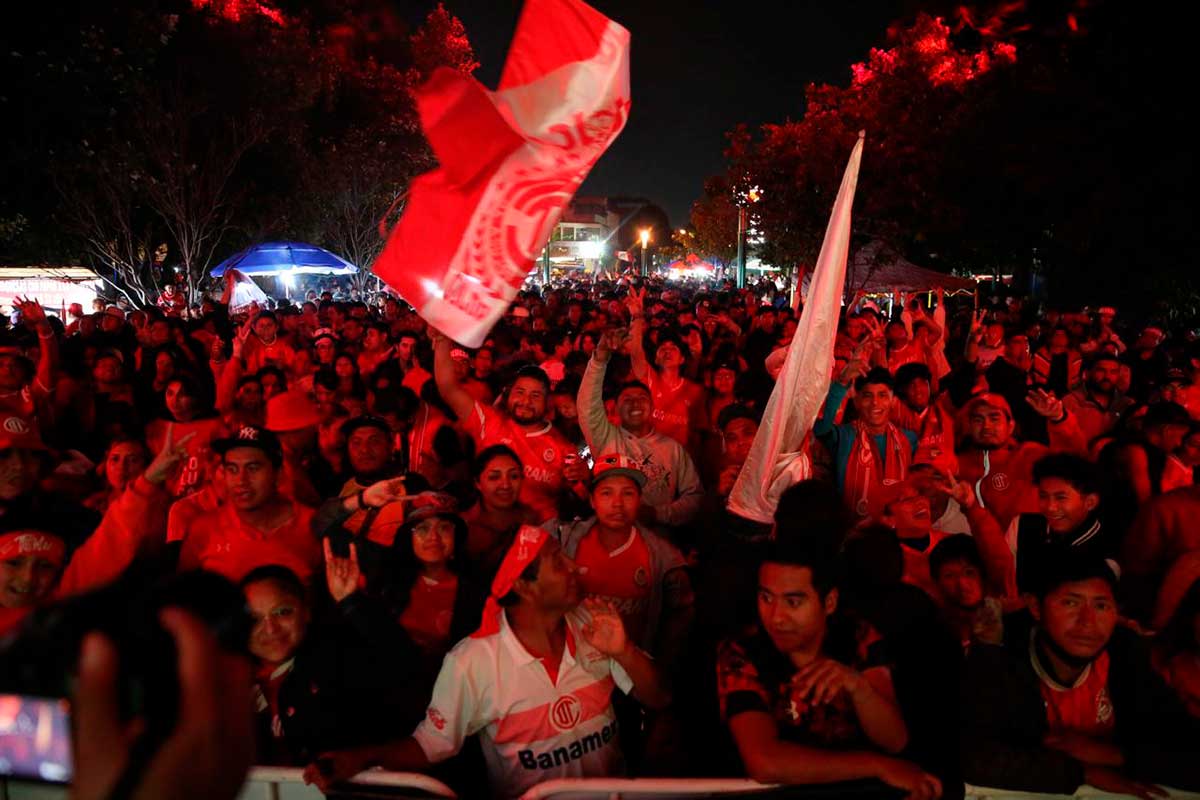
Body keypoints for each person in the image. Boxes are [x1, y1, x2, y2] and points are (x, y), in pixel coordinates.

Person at [303, 527, 670, 798]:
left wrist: (624, 651)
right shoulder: (472, 662)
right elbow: (431, 745)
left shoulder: (593, 623)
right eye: (559, 561)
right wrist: (362, 757)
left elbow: (659, 697)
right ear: (524, 586)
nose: (576, 567)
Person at [716, 538, 942, 798]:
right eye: (766, 598)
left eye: (793, 602)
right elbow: (764, 762)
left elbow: (895, 740)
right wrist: (876, 766)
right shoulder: (742, 650)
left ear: (830, 602)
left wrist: (859, 688)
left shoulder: (856, 635)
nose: (776, 616)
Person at [960, 554, 1200, 796]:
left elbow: (1187, 746)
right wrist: (1081, 772)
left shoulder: (1126, 654)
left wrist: (1114, 755)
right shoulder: (1001, 655)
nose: (1087, 622)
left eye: (1101, 606)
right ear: (1035, 607)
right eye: (1070, 603)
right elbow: (973, 756)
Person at [243, 550, 426, 766]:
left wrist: (351, 602)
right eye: (254, 619)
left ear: (306, 611)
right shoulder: (229, 682)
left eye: (283, 612)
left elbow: (403, 662)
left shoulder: (337, 659)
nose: (271, 628)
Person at [551, 455, 694, 664]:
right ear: (592, 500)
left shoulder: (664, 558)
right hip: (573, 664)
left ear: (639, 500)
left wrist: (658, 667)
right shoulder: (563, 539)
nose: (617, 504)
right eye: (606, 493)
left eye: (627, 493)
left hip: (629, 667)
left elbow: (679, 620)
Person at [433, 330, 581, 522]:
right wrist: (442, 339)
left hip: (541, 533)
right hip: (489, 530)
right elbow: (448, 388)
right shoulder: (488, 421)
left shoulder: (564, 449)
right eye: (520, 392)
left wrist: (584, 478)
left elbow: (582, 497)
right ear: (508, 395)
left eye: (535, 395)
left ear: (547, 403)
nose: (526, 401)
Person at [578, 329, 704, 533]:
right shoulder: (605, 437)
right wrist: (599, 359)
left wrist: (658, 514)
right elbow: (586, 407)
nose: (635, 403)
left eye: (642, 398)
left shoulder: (673, 449)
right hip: (609, 535)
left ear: (652, 407)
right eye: (627, 399)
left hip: (657, 539)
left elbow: (695, 496)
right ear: (616, 408)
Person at [176, 425, 320, 582]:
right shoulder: (204, 530)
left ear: (278, 475)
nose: (241, 480)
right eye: (232, 469)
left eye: (253, 468)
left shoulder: (313, 526)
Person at [954, 391, 1086, 531]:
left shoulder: (1030, 454)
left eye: (994, 418)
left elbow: (1075, 462)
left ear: (1010, 426)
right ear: (969, 427)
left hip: (1027, 539)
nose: (986, 426)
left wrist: (1059, 419)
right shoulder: (958, 464)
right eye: (978, 420)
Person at [815, 364, 917, 520]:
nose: (875, 402)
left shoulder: (908, 439)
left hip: (899, 526)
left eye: (882, 395)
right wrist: (841, 383)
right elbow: (820, 428)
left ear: (893, 402)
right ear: (856, 402)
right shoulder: (844, 436)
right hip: (854, 529)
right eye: (868, 396)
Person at [625, 288, 708, 451]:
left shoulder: (695, 391)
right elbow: (635, 351)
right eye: (662, 348)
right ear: (656, 358)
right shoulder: (649, 379)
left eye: (673, 348)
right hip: (647, 455)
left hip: (679, 460)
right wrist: (636, 317)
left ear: (682, 359)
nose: (667, 351)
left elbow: (700, 435)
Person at [461, 445, 540, 577]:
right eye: (494, 477)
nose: (505, 485)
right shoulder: (466, 527)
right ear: (477, 483)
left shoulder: (530, 519)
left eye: (513, 476)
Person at [928, 534, 1005, 651]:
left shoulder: (1006, 615)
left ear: (982, 574)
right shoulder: (934, 628)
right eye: (950, 576)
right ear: (937, 582)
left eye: (969, 572)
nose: (962, 584)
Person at [1063, 354, 1134, 445]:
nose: (1107, 377)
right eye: (1101, 371)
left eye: (1113, 372)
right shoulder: (1071, 402)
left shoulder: (1127, 404)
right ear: (1088, 373)